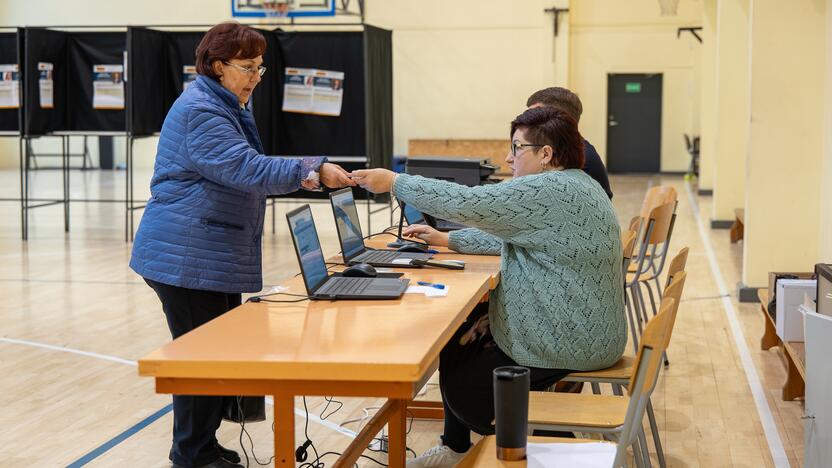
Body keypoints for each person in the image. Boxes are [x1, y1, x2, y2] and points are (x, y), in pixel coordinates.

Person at [129, 22, 353, 468]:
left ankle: (202, 444)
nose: (255, 76)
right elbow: (245, 168)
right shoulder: (201, 110)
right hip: (186, 255)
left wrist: (308, 173)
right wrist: (315, 168)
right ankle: (190, 454)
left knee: (218, 355)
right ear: (218, 67)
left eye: (260, 68)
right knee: (202, 361)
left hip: (209, 251)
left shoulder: (226, 103)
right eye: (247, 67)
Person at [350, 107, 626, 467]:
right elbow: (520, 240)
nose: (508, 158)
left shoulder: (548, 189)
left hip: (574, 339)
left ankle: (552, 448)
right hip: (594, 333)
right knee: (468, 329)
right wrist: (449, 241)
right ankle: (468, 446)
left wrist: (397, 182)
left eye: (517, 148)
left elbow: (469, 202)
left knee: (463, 367)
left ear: (546, 154)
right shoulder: (579, 185)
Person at [527, 87, 613, 199]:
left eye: (535, 116)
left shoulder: (579, 158)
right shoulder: (565, 149)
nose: (527, 122)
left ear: (559, 119)